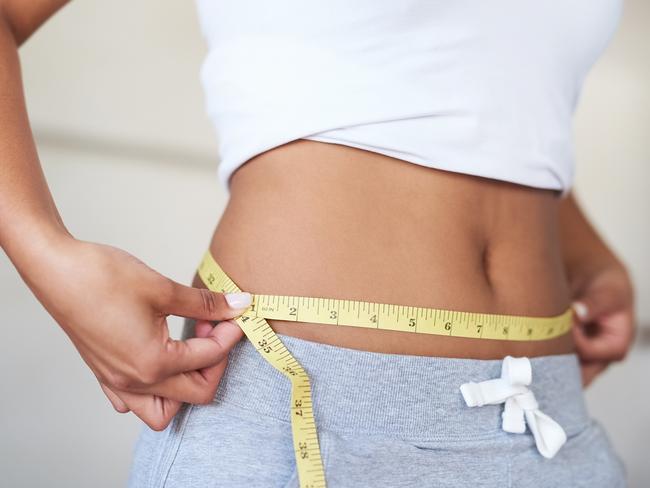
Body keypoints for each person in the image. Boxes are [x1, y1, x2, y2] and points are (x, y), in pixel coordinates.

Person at [0, 1, 636, 487]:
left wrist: (579, 247)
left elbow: (489, 93)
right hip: (303, 398)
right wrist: (46, 256)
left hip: (545, 419)